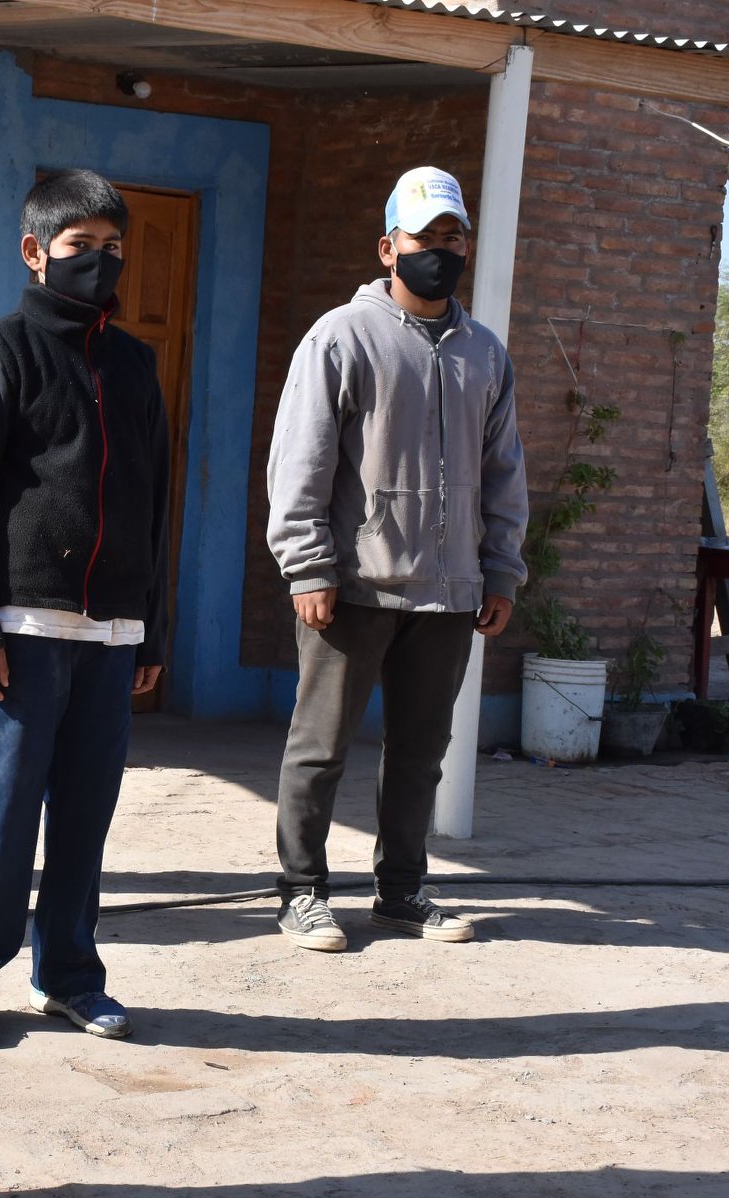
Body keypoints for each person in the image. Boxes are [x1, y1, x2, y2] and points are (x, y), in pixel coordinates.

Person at [0, 170, 170, 1047]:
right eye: (79, 246)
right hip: (22, 630)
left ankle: (68, 974)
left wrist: (149, 626)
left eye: (111, 248)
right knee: (1, 812)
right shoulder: (0, 352)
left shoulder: (135, 364)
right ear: (34, 252)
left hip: (112, 633)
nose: (98, 262)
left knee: (83, 817)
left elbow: (154, 501)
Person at [264, 166, 528, 953]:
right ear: (387, 247)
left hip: (449, 592)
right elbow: (300, 459)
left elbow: (504, 470)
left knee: (419, 754)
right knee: (319, 749)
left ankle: (401, 891)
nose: (439, 250)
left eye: (452, 236)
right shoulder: (340, 337)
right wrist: (307, 566)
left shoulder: (484, 352)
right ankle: (301, 892)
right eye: (424, 237)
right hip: (353, 586)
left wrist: (500, 568)